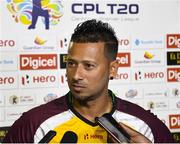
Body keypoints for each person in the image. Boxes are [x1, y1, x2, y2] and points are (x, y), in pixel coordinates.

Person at [3, 19, 174, 143]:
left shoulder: (144, 126)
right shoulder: (34, 123)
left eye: (88, 66)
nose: (76, 75)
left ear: (112, 68)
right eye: (71, 63)